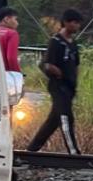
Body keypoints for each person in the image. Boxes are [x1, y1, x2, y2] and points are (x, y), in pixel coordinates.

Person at [26, 9, 84, 154]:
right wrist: (54, 71)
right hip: (58, 86)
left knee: (52, 122)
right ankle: (73, 151)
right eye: (74, 23)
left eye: (78, 23)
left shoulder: (73, 43)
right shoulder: (55, 42)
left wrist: (75, 81)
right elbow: (45, 64)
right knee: (66, 117)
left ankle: (32, 149)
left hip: (70, 87)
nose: (77, 26)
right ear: (66, 23)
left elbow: (76, 64)